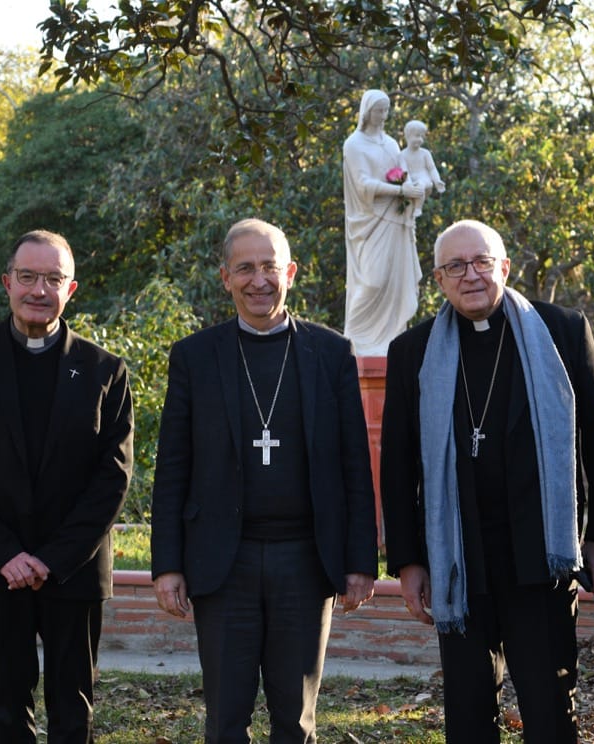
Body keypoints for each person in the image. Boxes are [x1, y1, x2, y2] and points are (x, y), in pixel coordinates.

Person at [381, 219, 594, 743]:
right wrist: (407, 560)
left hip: (539, 553)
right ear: (440, 279)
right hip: (458, 559)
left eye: (481, 262)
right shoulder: (413, 352)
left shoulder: (562, 330)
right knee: (468, 711)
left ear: (504, 268)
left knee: (549, 705)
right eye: (456, 266)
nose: (471, 275)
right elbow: (399, 465)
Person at [151, 218, 377, 744]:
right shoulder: (194, 357)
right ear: (224, 276)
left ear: (290, 273)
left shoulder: (331, 353)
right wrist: (167, 565)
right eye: (245, 268)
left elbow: (354, 465)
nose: (259, 280)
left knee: (295, 720)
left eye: (270, 267)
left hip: (304, 558)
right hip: (222, 561)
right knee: (225, 717)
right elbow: (174, 467)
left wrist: (360, 560)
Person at [0, 229, 135, 743]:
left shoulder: (105, 371)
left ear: (72, 290)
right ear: (7, 282)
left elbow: (113, 476)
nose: (38, 290)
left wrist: (54, 558)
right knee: (7, 703)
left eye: (53, 279)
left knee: (73, 706)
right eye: (28, 277)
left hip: (73, 569)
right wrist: (6, 554)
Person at [343, 88, 426, 356]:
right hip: (369, 221)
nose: (383, 115)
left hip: (395, 220)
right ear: (367, 112)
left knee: (396, 281)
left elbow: (403, 173)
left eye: (386, 110)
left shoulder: (391, 144)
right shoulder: (353, 144)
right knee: (372, 281)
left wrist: (416, 186)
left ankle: (389, 341)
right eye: (379, 110)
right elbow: (363, 183)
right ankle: (354, 342)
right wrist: (401, 191)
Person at [399, 119, 446, 218]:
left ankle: (418, 208)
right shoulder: (402, 154)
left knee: (420, 185)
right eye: (417, 136)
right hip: (411, 178)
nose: (420, 139)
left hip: (424, 178)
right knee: (413, 188)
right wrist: (407, 182)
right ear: (407, 136)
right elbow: (404, 170)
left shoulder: (425, 153)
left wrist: (437, 181)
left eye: (421, 136)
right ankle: (412, 208)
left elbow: (432, 169)